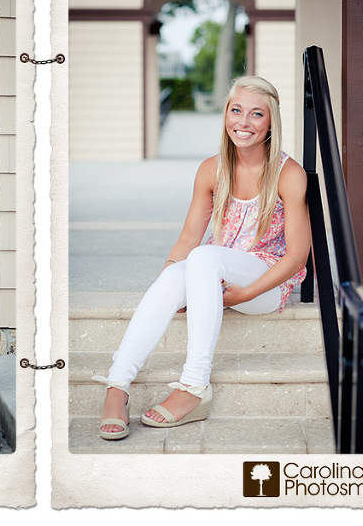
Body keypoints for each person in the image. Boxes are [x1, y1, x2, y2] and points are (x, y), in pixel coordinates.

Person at [96, 76, 310, 440]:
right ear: (225, 114)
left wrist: (245, 294)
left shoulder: (288, 174)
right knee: (183, 268)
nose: (243, 122)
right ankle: (117, 385)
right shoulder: (212, 169)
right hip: (213, 272)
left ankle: (194, 386)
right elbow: (186, 240)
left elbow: (297, 257)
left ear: (271, 122)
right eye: (236, 110)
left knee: (203, 257)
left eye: (256, 114)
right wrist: (170, 287)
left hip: (266, 284)